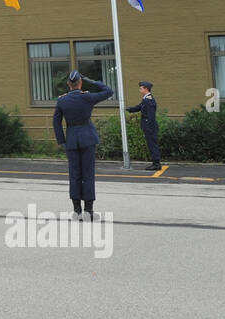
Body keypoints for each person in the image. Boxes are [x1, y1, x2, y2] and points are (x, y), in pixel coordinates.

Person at [52, 71, 114, 219]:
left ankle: (77, 210)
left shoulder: (62, 100)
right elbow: (108, 91)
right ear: (80, 83)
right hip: (88, 138)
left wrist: (61, 141)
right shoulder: (87, 97)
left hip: (72, 140)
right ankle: (89, 211)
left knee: (74, 175)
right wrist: (90, 80)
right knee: (88, 174)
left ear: (68, 84)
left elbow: (56, 121)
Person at [126, 81, 162, 171]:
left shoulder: (149, 100)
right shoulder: (145, 99)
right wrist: (129, 109)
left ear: (146, 88)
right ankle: (155, 163)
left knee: (152, 145)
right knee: (151, 145)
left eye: (141, 88)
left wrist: (149, 127)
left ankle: (156, 164)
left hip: (150, 126)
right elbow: (140, 107)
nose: (140, 90)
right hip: (148, 126)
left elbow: (151, 115)